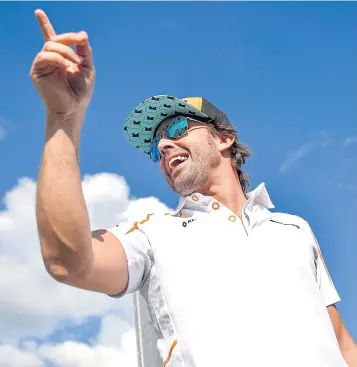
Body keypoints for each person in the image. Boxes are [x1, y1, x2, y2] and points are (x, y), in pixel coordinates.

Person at [31, 9, 356, 367]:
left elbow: (342, 344)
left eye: (175, 130)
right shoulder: (152, 235)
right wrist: (63, 118)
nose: (165, 147)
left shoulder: (296, 230)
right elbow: (69, 263)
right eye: (156, 148)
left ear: (223, 138)